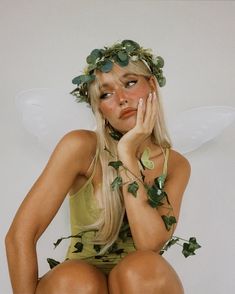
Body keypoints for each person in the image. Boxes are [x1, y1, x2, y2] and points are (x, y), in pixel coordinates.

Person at [6, 40, 191, 294]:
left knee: (143, 269)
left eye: (130, 83)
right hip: (76, 286)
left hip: (140, 283)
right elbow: (19, 237)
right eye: (106, 94)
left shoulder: (176, 165)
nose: (122, 99)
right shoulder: (81, 147)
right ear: (101, 110)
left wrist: (127, 154)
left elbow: (150, 243)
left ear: (152, 85)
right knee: (79, 281)